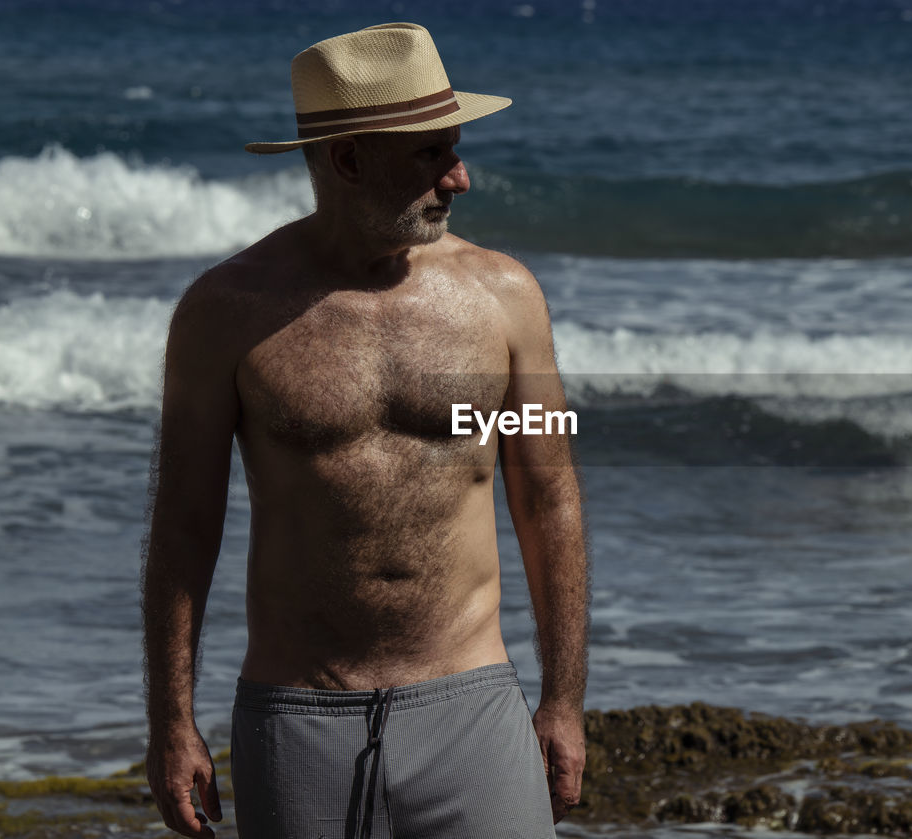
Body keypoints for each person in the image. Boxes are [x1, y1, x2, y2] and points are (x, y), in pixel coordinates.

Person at [140, 23, 588, 839]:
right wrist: (171, 721)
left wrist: (564, 697)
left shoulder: (508, 295)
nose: (459, 176)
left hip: (471, 709)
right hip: (297, 722)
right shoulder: (224, 313)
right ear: (347, 160)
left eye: (454, 148)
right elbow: (182, 524)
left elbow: (551, 496)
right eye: (429, 155)